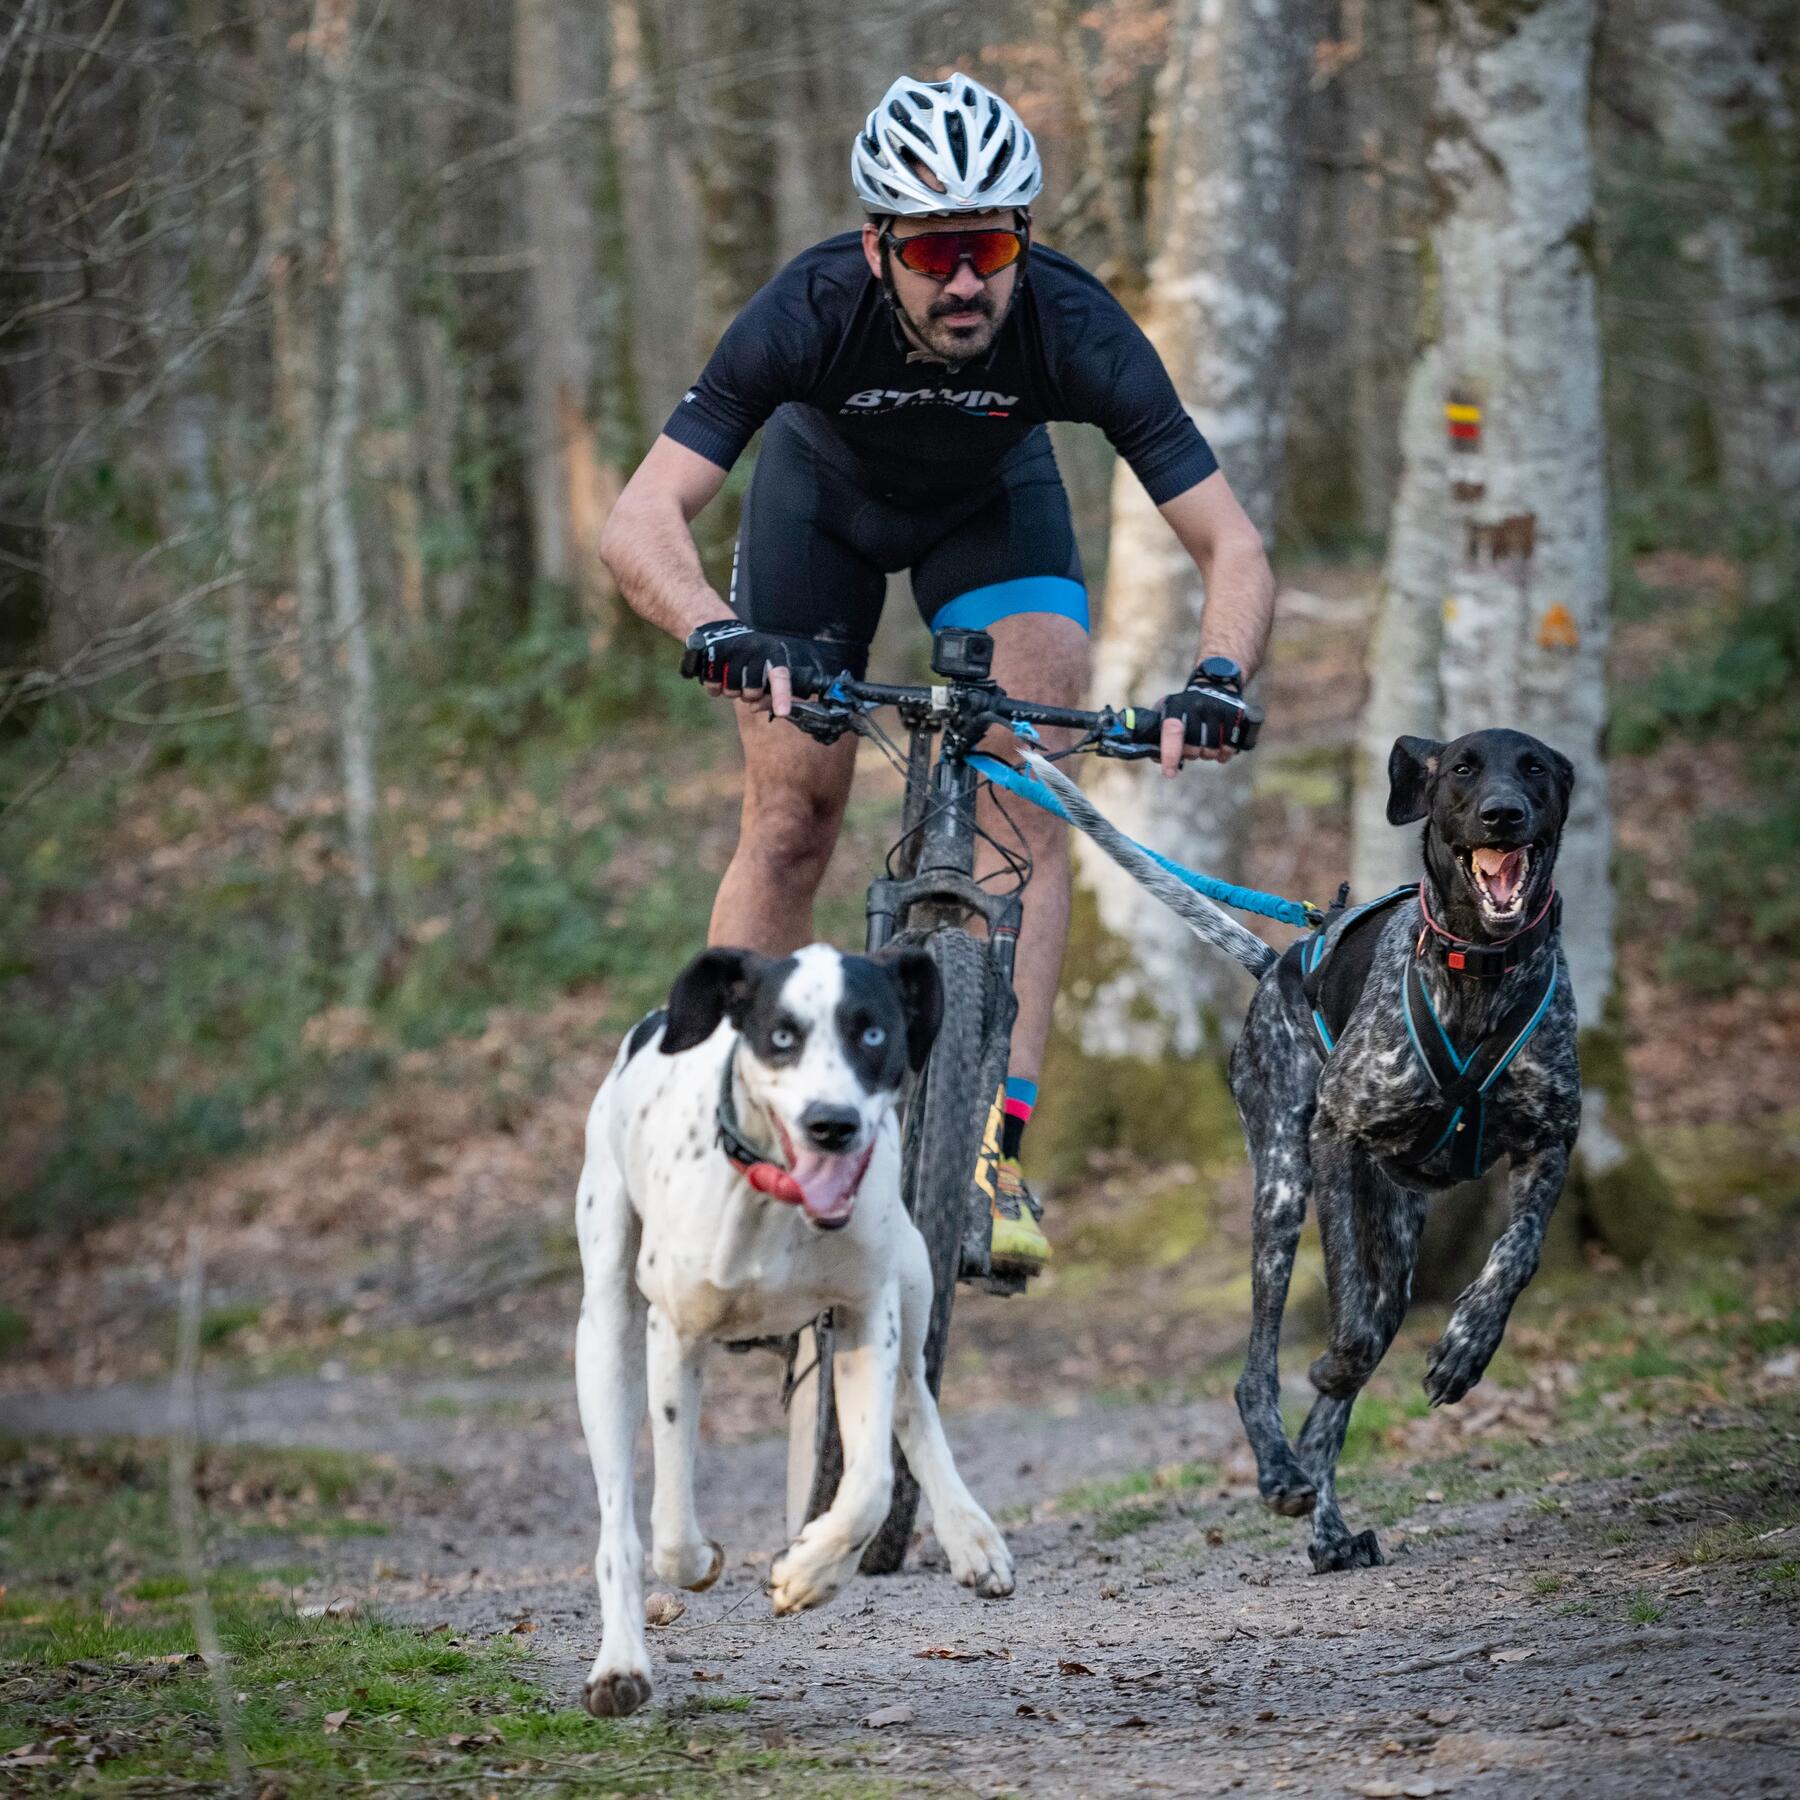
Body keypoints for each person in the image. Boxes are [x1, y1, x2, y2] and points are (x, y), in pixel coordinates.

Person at [599, 73, 1275, 1277]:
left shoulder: (1073, 324)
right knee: (793, 817)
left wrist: (1218, 674)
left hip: (992, 515)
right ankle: (720, 1128)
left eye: (992, 244)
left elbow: (1232, 545)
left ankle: (993, 1155)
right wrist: (714, 628)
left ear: (1024, 240)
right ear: (878, 248)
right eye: (933, 251)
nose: (966, 279)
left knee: (1033, 787)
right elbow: (640, 517)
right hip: (823, 514)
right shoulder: (806, 309)